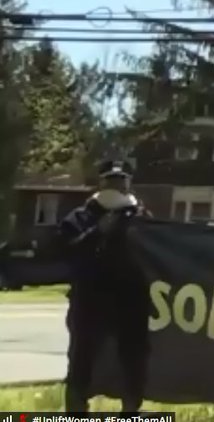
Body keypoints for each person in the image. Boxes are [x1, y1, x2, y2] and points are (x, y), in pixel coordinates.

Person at [58, 159, 153, 413]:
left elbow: (157, 255)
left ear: (129, 182)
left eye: (122, 179)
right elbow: (65, 252)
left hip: (131, 300)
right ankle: (76, 410)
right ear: (101, 182)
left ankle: (131, 409)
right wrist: (97, 231)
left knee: (133, 358)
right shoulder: (81, 216)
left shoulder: (141, 217)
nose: (117, 184)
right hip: (90, 299)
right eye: (112, 179)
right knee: (82, 358)